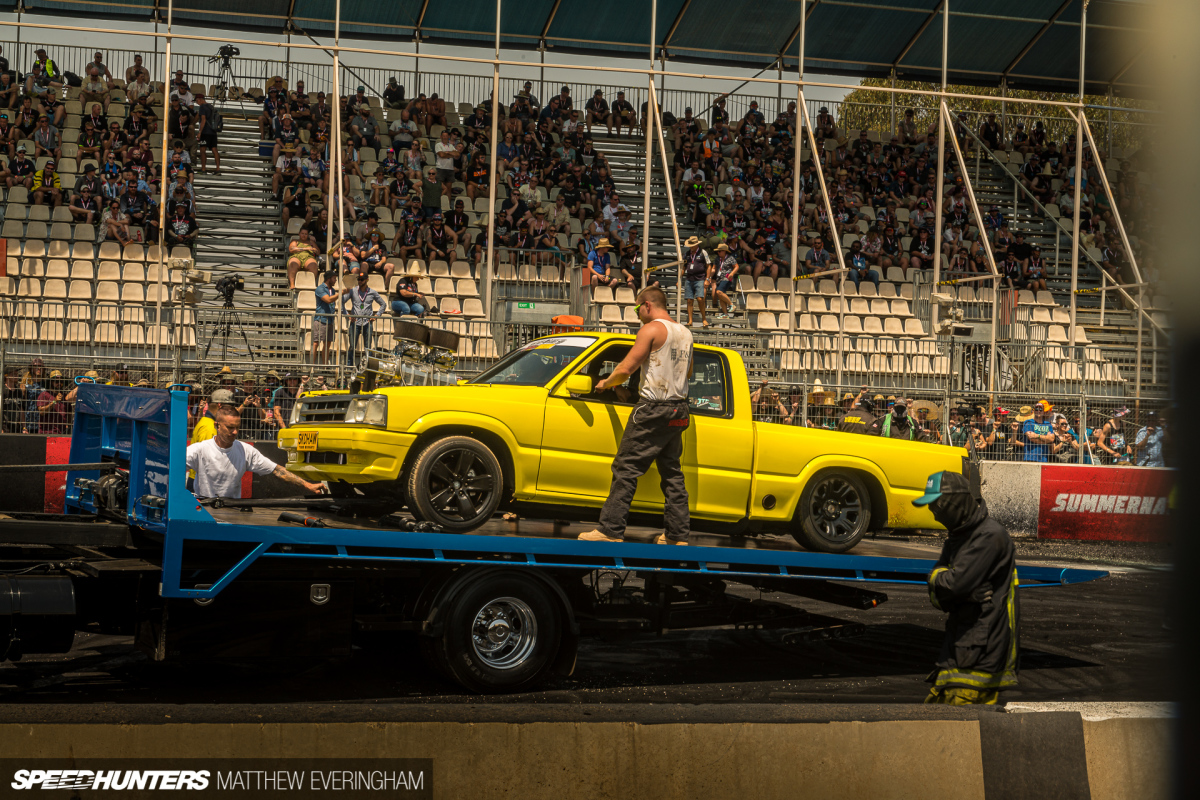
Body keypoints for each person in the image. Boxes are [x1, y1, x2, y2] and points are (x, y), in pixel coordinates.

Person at [579, 287, 694, 546]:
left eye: (636, 309)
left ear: (647, 305)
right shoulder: (686, 333)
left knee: (626, 467)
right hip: (679, 409)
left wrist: (605, 384)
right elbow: (687, 374)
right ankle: (677, 535)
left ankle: (610, 530)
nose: (637, 314)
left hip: (652, 407)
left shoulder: (650, 329)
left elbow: (625, 368)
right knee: (672, 472)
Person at [913, 470, 1019, 705]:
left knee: (957, 732)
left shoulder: (989, 537)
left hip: (979, 655)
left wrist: (948, 585)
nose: (933, 512)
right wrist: (958, 590)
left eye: (936, 505)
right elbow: (942, 591)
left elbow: (952, 585)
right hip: (959, 648)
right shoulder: (957, 537)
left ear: (954, 503)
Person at [186, 405, 324, 499]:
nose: (235, 432)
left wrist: (308, 485)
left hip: (231, 512)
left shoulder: (245, 450)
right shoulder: (200, 449)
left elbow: (277, 470)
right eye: (230, 427)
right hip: (204, 512)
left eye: (237, 428)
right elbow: (172, 466)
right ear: (217, 426)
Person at [341, 271, 387, 365]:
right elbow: (341, 301)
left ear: (367, 280)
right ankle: (350, 366)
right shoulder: (353, 291)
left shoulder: (372, 292)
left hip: (367, 322)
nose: (360, 281)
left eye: (362, 280)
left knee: (368, 346)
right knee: (352, 346)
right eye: (358, 279)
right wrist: (347, 314)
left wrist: (377, 315)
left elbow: (383, 304)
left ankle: (367, 365)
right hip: (355, 322)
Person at [682, 235, 712, 328]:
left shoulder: (703, 252)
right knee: (689, 300)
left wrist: (707, 279)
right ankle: (690, 320)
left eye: (693, 245)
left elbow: (709, 266)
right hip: (689, 278)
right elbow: (683, 267)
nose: (691, 247)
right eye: (690, 245)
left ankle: (704, 319)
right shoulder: (687, 254)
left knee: (700, 299)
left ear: (696, 245)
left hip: (700, 278)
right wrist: (679, 278)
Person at [312, 270, 341, 365]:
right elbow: (328, 300)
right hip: (321, 319)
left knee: (327, 344)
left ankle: (324, 366)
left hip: (330, 320)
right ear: (329, 278)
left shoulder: (332, 290)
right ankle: (311, 365)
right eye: (334, 278)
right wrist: (340, 293)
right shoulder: (320, 288)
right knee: (316, 343)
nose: (335, 280)